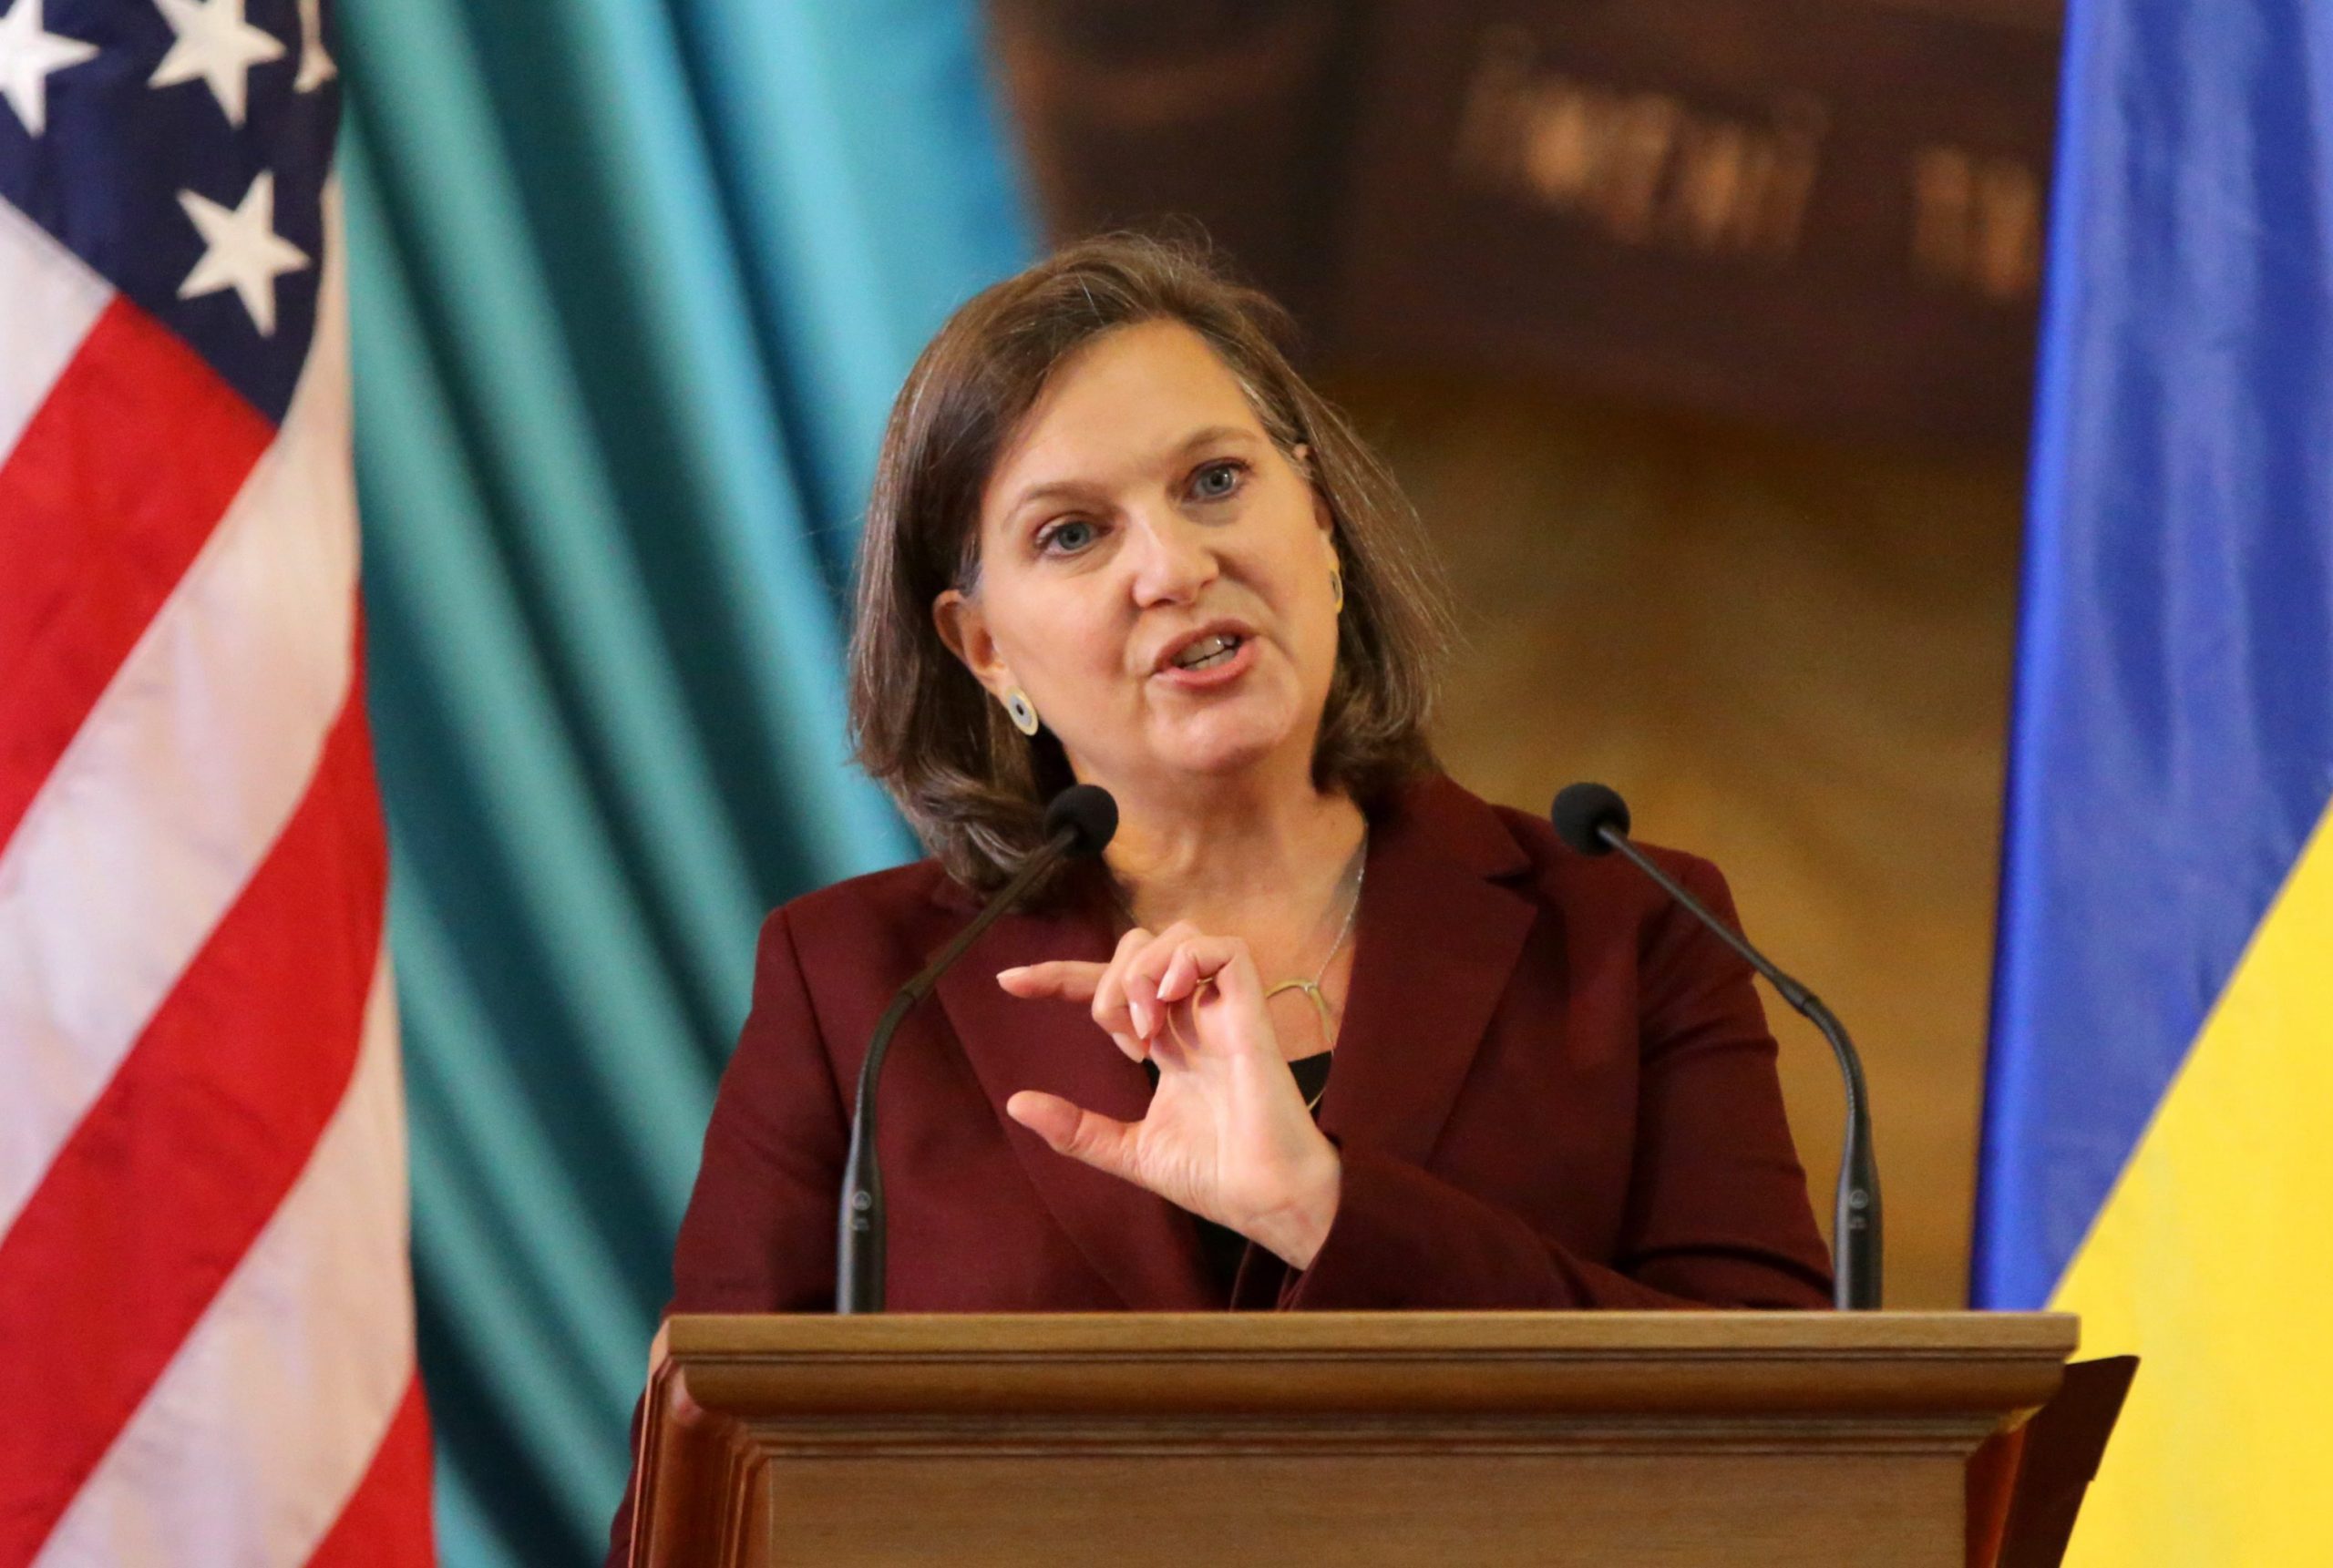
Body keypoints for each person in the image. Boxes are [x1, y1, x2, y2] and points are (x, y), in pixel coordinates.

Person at [606, 233, 1830, 1558]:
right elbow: (695, 1517)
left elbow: (1787, 1443)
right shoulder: (857, 985)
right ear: (985, 647)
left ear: (1321, 526)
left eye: (1215, 481)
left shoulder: (1629, 925)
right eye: (1074, 533)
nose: (1174, 566)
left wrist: (1326, 1208)